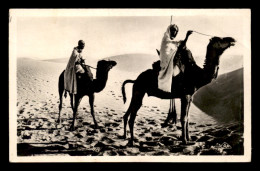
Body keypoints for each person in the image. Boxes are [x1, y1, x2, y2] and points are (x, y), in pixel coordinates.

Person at [158, 24, 193, 93]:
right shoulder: (166, 39)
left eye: (176, 31)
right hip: (166, 61)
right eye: (173, 30)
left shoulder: (172, 42)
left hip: (171, 59)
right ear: (169, 30)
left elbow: (180, 45)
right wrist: (187, 36)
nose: (175, 32)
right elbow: (167, 51)